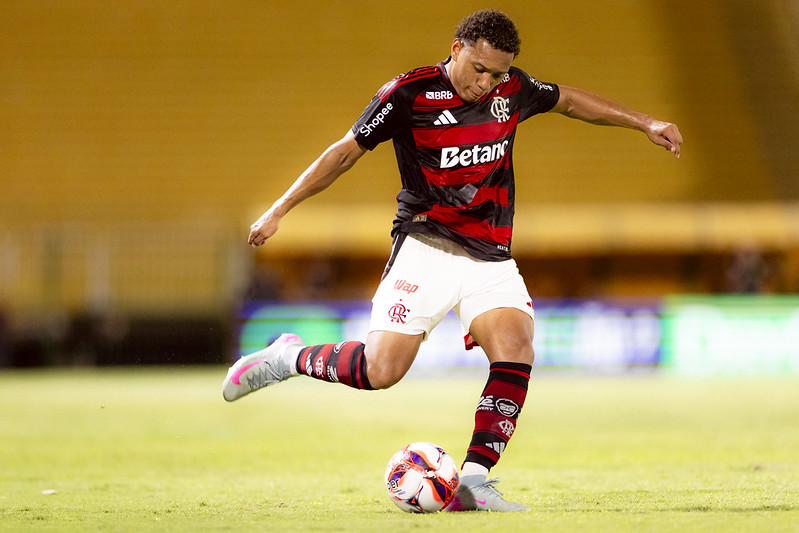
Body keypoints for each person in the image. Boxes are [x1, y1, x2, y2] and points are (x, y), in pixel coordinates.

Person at [223, 9, 683, 512]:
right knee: (381, 371)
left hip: (491, 258)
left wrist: (646, 122)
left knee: (516, 345)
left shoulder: (513, 90)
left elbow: (569, 100)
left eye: (499, 73)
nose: (487, 83)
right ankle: (288, 357)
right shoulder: (408, 94)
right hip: (427, 247)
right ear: (458, 47)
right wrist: (278, 209)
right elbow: (343, 153)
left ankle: (473, 480)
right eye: (480, 69)